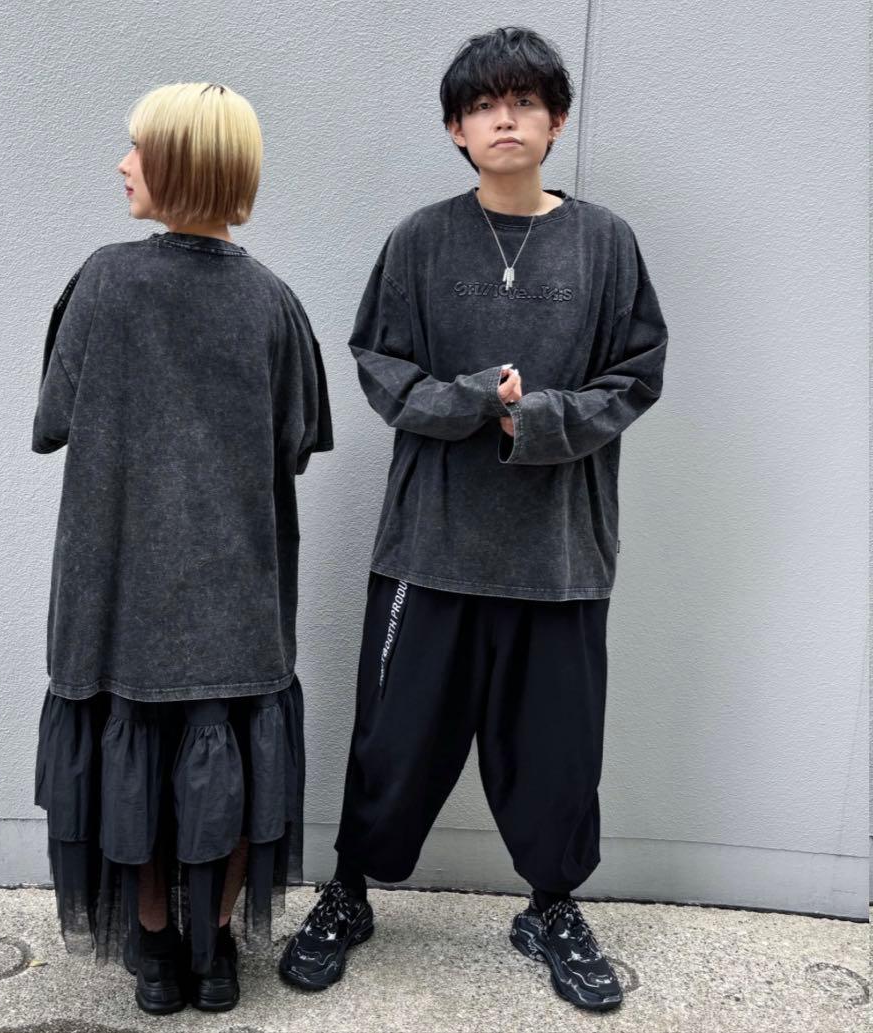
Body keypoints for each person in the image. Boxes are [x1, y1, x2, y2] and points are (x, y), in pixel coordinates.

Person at [278, 26, 667, 1013]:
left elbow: (637, 374)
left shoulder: (607, 242)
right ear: (456, 127)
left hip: (561, 551)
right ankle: (351, 892)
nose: (505, 119)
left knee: (558, 751)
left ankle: (551, 907)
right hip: (431, 545)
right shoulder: (419, 239)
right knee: (394, 739)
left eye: (525, 101)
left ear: (556, 120)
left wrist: (533, 418)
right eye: (485, 105)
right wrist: (471, 399)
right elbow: (378, 363)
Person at [32, 81, 332, 1016]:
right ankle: (217, 951)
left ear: (183, 165)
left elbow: (52, 419)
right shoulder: (275, 303)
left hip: (116, 587)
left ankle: (156, 949)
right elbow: (299, 441)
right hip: (236, 594)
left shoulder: (103, 281)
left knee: (131, 762)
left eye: (139, 149)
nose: (122, 165)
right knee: (235, 763)